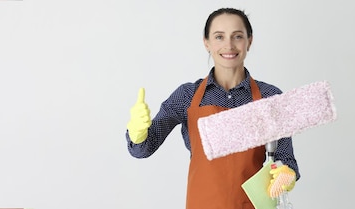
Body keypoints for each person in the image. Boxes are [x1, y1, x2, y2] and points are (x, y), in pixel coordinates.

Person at [124, 8, 300, 209]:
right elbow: (143, 150)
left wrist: (286, 174)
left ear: (249, 41)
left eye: (238, 36)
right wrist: (138, 134)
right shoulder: (187, 96)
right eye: (219, 37)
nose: (229, 45)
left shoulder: (270, 97)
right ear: (206, 42)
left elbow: (286, 160)